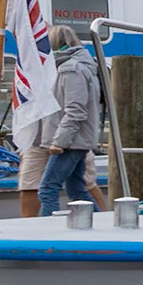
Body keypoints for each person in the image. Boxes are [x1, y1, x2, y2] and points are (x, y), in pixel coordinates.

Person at [38, 26, 102, 216]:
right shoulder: (85, 66)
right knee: (76, 190)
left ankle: (48, 234)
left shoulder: (70, 69)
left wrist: (59, 142)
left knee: (48, 189)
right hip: (78, 140)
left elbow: (75, 110)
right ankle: (99, 223)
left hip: (71, 141)